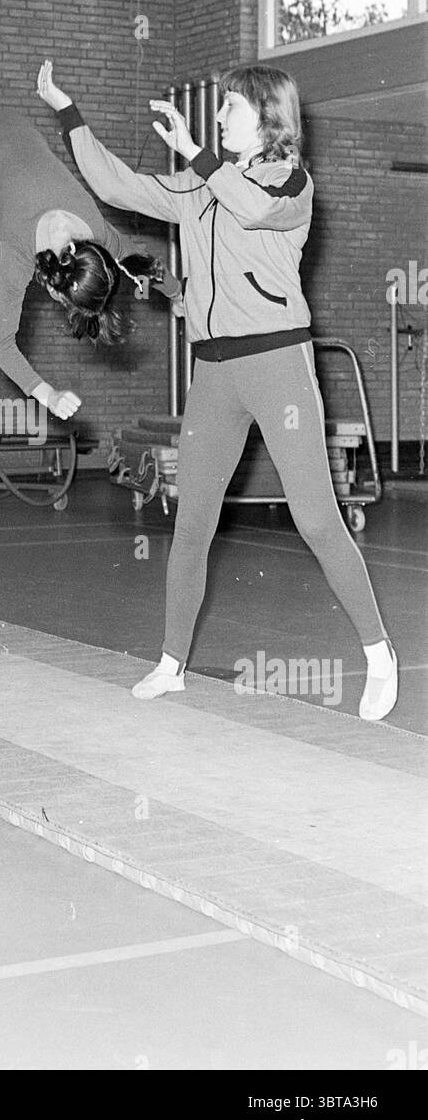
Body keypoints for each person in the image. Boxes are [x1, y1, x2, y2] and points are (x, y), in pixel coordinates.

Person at [36, 60, 397, 722]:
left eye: (229, 108)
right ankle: (171, 662)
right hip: (215, 373)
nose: (220, 117)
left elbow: (253, 207)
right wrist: (67, 112)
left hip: (277, 364)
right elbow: (118, 187)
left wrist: (200, 159)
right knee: (192, 519)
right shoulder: (199, 187)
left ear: (265, 119)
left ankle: (377, 651)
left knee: (315, 516)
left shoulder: (290, 184)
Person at [0, 107, 180, 421]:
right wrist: (48, 395)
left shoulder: (98, 231)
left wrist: (178, 296)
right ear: (57, 293)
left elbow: (145, 263)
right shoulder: (20, 251)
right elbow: (0, 344)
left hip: (16, 129)